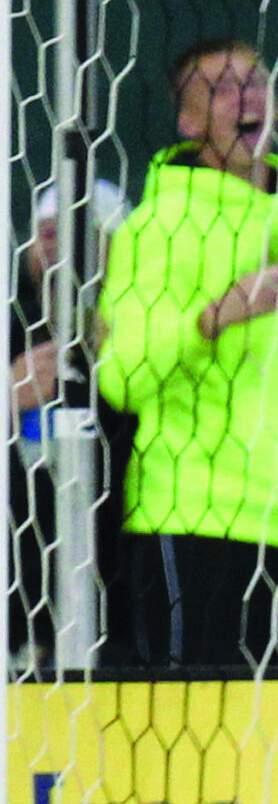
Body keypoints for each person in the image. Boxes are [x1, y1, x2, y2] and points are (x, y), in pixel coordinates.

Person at [95, 39, 278, 670]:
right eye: (220, 89)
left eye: (257, 82)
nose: (246, 98)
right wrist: (212, 319)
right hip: (200, 529)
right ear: (188, 121)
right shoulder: (157, 227)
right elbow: (121, 376)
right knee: (197, 732)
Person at [9, 181, 130, 661]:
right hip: (20, 606)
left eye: (75, 232)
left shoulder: (141, 343)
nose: (53, 245)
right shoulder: (13, 331)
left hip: (116, 607)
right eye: (45, 232)